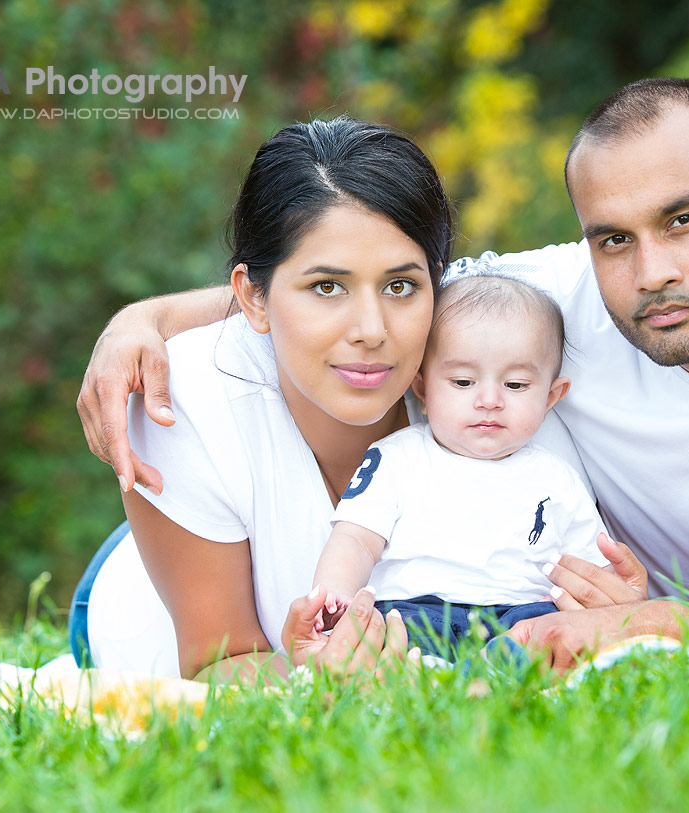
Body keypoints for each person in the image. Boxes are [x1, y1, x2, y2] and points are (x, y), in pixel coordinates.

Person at [77, 78, 689, 672]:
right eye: (612, 237)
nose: (650, 270)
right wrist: (145, 321)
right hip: (174, 568)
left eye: (683, 220)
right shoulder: (552, 305)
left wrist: (643, 618)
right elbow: (351, 277)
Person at [69, 115, 463, 680]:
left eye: (401, 285)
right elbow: (219, 662)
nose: (372, 330)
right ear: (253, 298)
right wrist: (329, 685)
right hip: (151, 584)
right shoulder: (179, 398)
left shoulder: (486, 358)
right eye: (327, 287)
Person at [311, 275, 609, 659]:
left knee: (556, 635)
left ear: (551, 396)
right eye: (463, 381)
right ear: (421, 387)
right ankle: (428, 678)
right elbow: (355, 539)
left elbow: (592, 570)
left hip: (523, 616)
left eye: (516, 385)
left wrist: (616, 609)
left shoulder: (558, 478)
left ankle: (508, 679)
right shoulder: (398, 457)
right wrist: (335, 596)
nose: (489, 400)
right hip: (417, 610)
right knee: (389, 638)